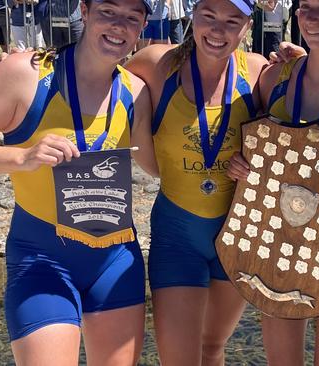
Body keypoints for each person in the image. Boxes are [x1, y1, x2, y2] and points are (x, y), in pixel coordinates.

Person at [0, 0, 157, 364]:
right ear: (84, 9)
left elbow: (162, 165)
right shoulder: (27, 74)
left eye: (132, 17)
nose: (118, 26)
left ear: (142, 26)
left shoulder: (135, 92)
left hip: (116, 262)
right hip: (43, 260)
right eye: (108, 11)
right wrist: (21, 157)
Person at [227, 0, 319, 364]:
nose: (310, 17)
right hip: (272, 243)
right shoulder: (273, 77)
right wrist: (241, 169)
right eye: (305, 6)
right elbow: (255, 147)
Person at [124, 0, 267, 364]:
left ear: (247, 27)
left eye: (232, 21)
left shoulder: (260, 73)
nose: (218, 31)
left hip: (237, 235)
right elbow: (93, 73)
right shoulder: (158, 64)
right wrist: (36, 62)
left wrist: (258, 170)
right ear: (192, 15)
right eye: (208, 17)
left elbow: (290, 140)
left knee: (212, 348)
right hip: (177, 236)